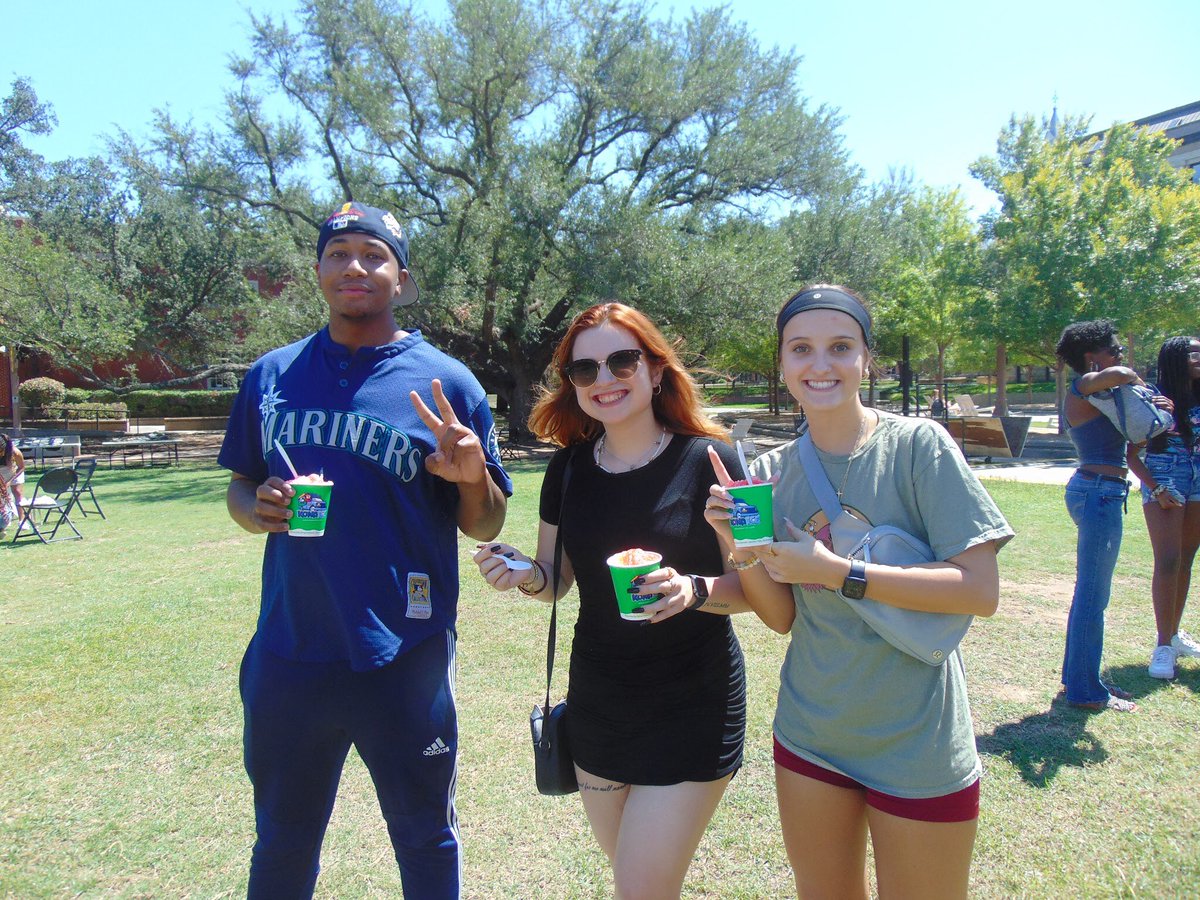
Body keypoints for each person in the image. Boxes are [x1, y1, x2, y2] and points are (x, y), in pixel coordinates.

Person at [218, 201, 511, 898]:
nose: (356, 265)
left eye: (373, 254)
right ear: (318, 271)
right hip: (291, 652)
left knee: (425, 836)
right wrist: (257, 512)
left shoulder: (446, 383)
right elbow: (239, 487)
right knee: (283, 840)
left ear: (401, 277)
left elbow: (487, 523)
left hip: (403, 655)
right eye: (339, 252)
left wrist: (472, 478)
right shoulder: (272, 377)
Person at [704, 285, 1012, 898]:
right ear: (784, 364)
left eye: (840, 347)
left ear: (866, 358)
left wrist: (838, 572)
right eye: (802, 349)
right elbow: (779, 618)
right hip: (811, 736)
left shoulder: (918, 447)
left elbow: (979, 591)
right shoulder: (767, 474)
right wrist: (734, 540)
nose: (821, 365)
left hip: (918, 742)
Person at [472, 302, 757, 899]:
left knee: (640, 889)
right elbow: (555, 579)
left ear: (656, 371)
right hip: (599, 705)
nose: (604, 379)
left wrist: (693, 591)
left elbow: (759, 592)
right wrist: (523, 572)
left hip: (694, 705)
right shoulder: (568, 470)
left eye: (622, 361)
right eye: (585, 370)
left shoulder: (715, 458)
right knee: (638, 877)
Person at [1054, 318, 1149, 711]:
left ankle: (1079, 679)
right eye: (1114, 347)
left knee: (1091, 595)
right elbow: (1121, 373)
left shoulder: (1100, 399)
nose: (1121, 353)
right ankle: (1086, 691)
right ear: (1093, 358)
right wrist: (1141, 385)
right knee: (1093, 596)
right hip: (1098, 494)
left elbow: (1137, 438)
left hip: (1099, 492)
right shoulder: (1082, 388)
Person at [1128, 336, 1200, 680]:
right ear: (1175, 359)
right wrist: (1155, 489)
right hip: (1165, 484)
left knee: (1186, 558)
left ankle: (1173, 635)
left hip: (1198, 482)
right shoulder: (1154, 397)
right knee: (1168, 560)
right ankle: (1162, 646)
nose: (1199, 357)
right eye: (1193, 352)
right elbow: (1131, 453)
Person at [1, 435, 26, 533]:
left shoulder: (15, 452)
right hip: (1, 473)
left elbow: (21, 467)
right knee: (4, 497)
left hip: (15, 472)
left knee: (17, 492)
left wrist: (10, 481)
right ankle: (4, 521)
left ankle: (22, 520)